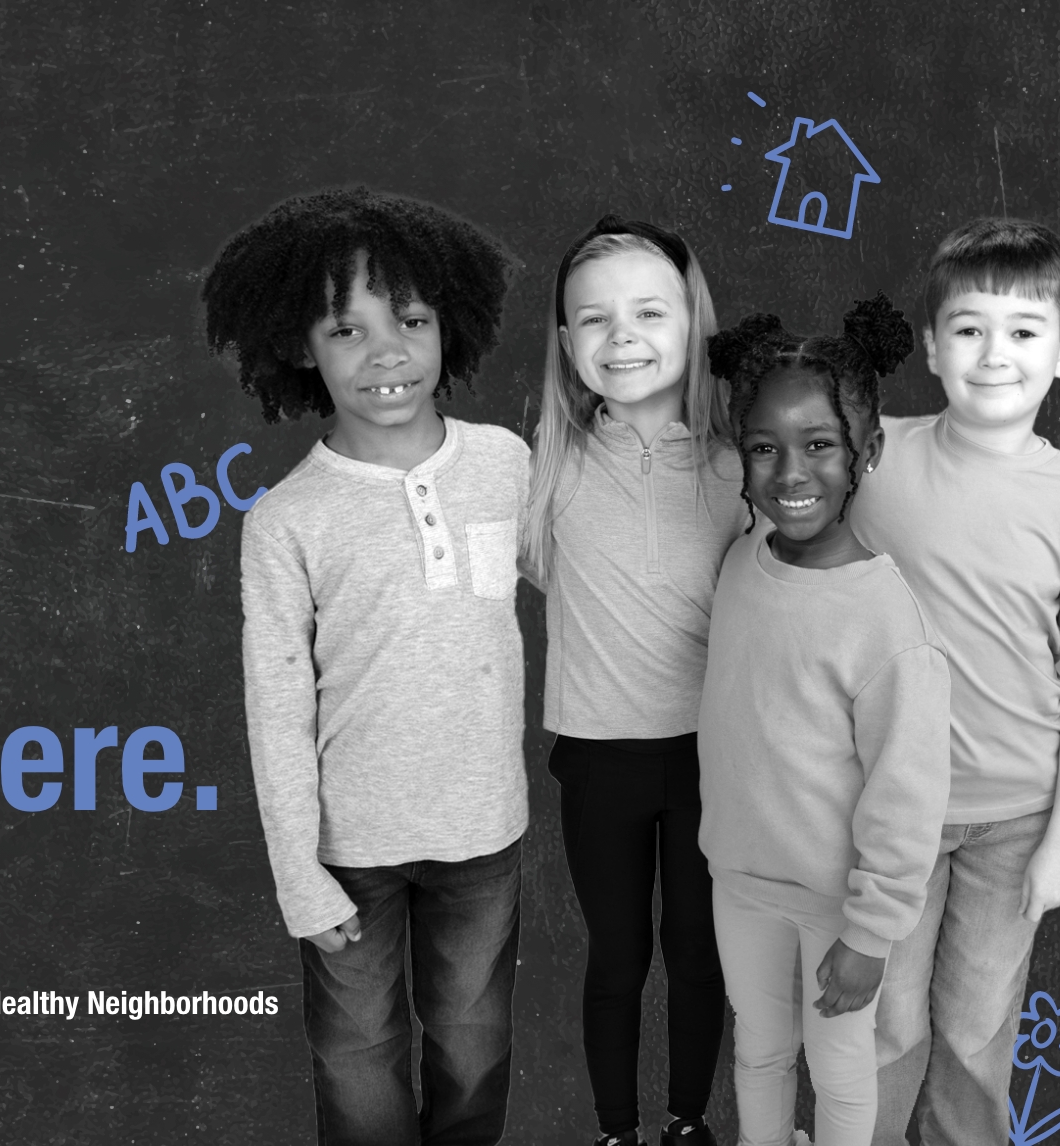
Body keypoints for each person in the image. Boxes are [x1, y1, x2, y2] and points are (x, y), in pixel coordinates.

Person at [205, 186, 528, 1145]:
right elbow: (275, 713)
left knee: (473, 1046)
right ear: (303, 347)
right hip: (350, 854)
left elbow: (593, 575)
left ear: (448, 327)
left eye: (413, 321)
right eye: (350, 329)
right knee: (357, 1063)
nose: (388, 353)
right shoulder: (286, 521)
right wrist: (301, 879)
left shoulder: (505, 463)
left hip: (482, 833)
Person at [853, 218, 1060, 1146]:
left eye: (1024, 332)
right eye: (968, 330)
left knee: (973, 1031)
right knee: (885, 1024)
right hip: (888, 811)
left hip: (1016, 819)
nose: (994, 355)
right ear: (929, 346)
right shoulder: (870, 459)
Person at [699, 296, 953, 1146]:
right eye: (766, 449)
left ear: (865, 452)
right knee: (761, 1054)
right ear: (741, 453)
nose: (791, 474)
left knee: (840, 1069)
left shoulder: (886, 620)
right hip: (740, 884)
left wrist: (872, 935)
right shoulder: (741, 561)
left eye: (819, 446)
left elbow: (907, 791)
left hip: (835, 907)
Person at [526, 215, 740, 1146]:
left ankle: (687, 1122)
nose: (623, 338)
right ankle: (616, 1130)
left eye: (650, 312)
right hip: (597, 754)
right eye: (593, 320)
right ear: (567, 344)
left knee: (700, 953)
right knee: (618, 954)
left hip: (717, 757)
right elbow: (530, 570)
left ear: (693, 323)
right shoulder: (544, 466)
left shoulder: (743, 466)